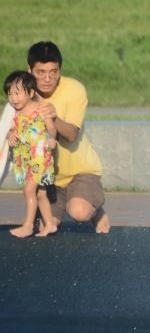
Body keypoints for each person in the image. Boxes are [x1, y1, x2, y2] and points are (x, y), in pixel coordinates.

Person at [26, 41, 110, 233]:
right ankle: (54, 210)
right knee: (47, 226)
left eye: (54, 72)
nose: (48, 79)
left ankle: (96, 211)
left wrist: (51, 115)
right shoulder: (23, 94)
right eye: (40, 72)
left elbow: (71, 134)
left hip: (80, 172)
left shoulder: (75, 89)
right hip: (48, 178)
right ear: (29, 70)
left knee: (79, 212)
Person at [4, 71, 58, 238]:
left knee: (29, 190)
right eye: (10, 94)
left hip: (40, 155)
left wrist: (52, 139)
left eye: (17, 93)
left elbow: (51, 128)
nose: (13, 98)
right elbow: (11, 130)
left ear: (31, 92)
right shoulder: (13, 113)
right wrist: (10, 135)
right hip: (26, 157)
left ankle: (28, 225)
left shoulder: (40, 109)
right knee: (40, 193)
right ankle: (49, 224)